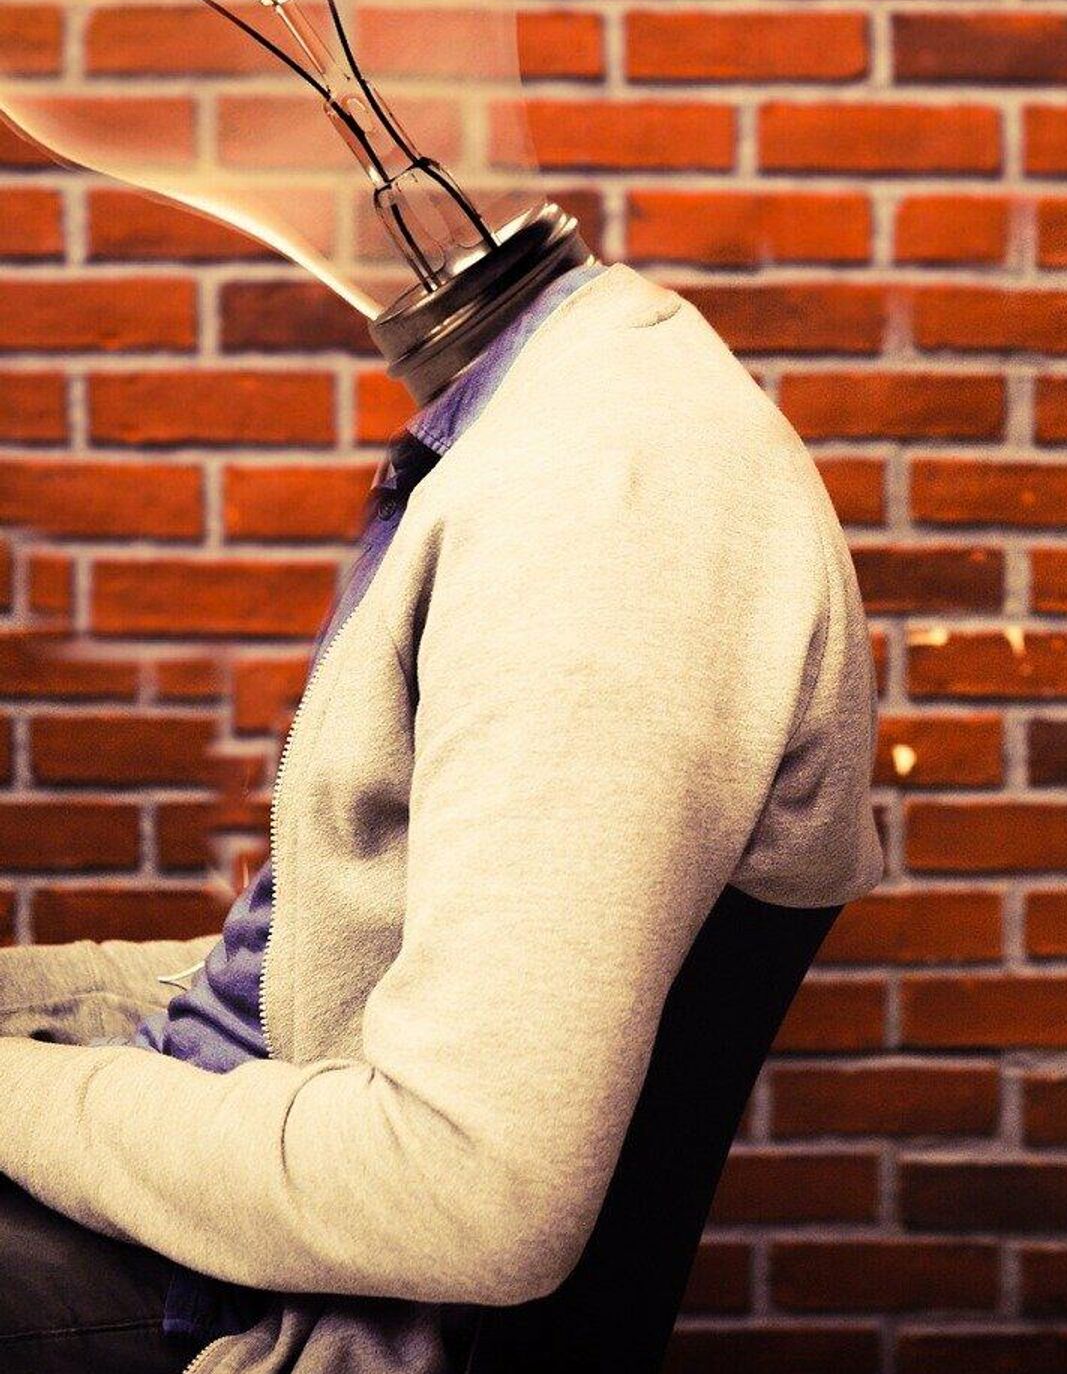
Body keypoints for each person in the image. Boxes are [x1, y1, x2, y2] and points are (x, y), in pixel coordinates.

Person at [0, 242, 885, 1374]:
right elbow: (298, 975)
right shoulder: (543, 403)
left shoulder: (601, 506)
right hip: (226, 1216)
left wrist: (20, 1090)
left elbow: (472, 1186)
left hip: (269, 1312)